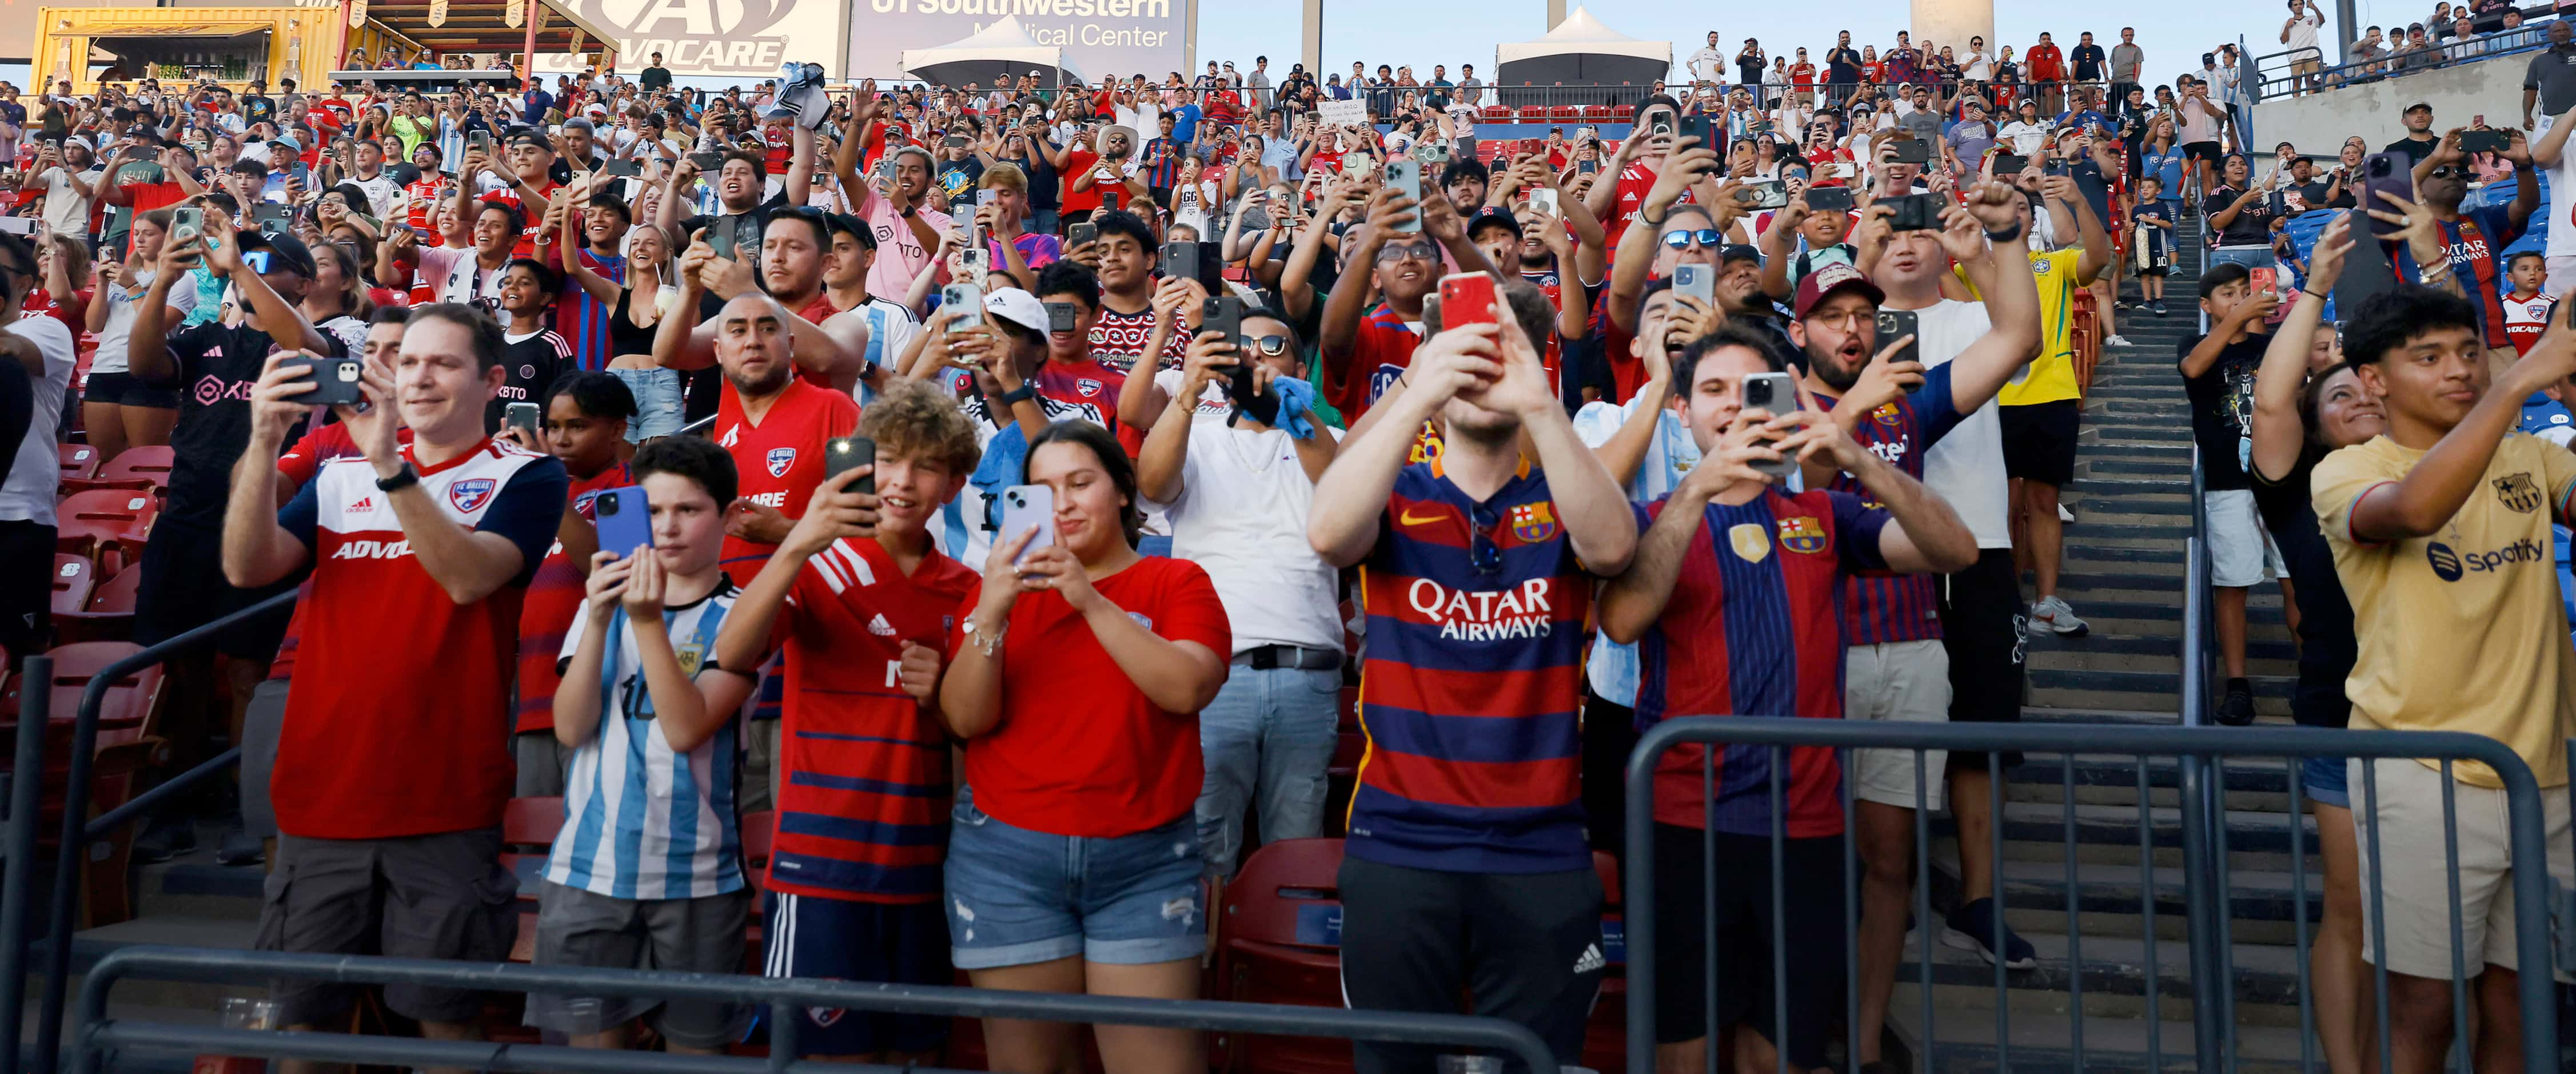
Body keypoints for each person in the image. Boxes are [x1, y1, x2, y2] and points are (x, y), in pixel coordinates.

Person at [218, 303, 569, 1066]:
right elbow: (246, 567)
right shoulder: (339, 475)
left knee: (444, 1025)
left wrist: (392, 466)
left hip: (442, 799)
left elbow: (469, 578)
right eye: (408, 361)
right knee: (301, 1026)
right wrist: (261, 443)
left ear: (493, 380)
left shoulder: (529, 474)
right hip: (323, 794)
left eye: (443, 363)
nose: (419, 377)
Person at [1307, 281, 1637, 1073]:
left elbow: (1613, 549)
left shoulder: (1561, 495)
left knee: (1534, 1063)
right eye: (1468, 353)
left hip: (1542, 852)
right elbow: (1326, 530)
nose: (1483, 371)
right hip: (1400, 844)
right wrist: (1418, 391)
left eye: (1503, 352)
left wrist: (1541, 405)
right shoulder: (1395, 493)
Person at [2315, 284, 2576, 1074]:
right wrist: (2514, 383)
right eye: (2426, 357)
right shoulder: (2346, 469)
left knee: (2522, 1003)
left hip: (2546, 777)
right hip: (2416, 773)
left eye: (2467, 351)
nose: (2457, 370)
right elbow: (2414, 510)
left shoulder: (2530, 453)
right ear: (2371, 380)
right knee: (2424, 1010)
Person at [936, 420, 1230, 1074]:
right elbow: (964, 718)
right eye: (1042, 490)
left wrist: (1087, 598)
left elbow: (1187, 689)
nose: (1063, 503)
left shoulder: (1177, 582)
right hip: (1007, 857)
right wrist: (992, 610)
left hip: (1146, 858)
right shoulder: (993, 594)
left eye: (1080, 483)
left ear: (1123, 492)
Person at [712, 378, 981, 1065]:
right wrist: (798, 541)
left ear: (954, 483)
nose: (902, 480)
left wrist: (946, 694)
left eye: (925, 465)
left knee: (913, 1058)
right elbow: (732, 652)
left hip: (924, 869)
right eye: (888, 459)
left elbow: (978, 726)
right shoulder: (816, 565)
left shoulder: (971, 589)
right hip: (819, 867)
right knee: (823, 1061)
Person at [532, 435, 756, 1056]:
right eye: (653, 511)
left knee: (695, 1055)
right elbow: (570, 729)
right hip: (588, 869)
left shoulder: (742, 615)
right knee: (588, 1057)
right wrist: (603, 618)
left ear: (730, 517)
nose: (668, 528)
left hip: (698, 876)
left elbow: (685, 729)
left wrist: (647, 619)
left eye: (689, 510)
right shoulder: (600, 606)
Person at [1135, 308, 1341, 878]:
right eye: (1240, 345)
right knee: (1203, 849)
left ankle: (1285, 969)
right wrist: (1188, 393)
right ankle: (1200, 968)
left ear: (1299, 366)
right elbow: (1152, 486)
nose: (1253, 354)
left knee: (1297, 851)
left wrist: (1292, 411)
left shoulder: (1327, 438)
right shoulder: (1194, 437)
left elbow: (1345, 493)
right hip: (1213, 672)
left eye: (1271, 344)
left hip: (1308, 670)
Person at [2248, 212, 2381, 1074]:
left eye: (2367, 390)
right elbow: (2269, 399)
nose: (2358, 399)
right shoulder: (2295, 492)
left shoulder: (2429, 467)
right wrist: (2316, 291)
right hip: (2339, 715)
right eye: (2335, 395)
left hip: (2448, 717)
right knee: (2354, 909)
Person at [509, 371, 635, 798]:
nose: (561, 439)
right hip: (530, 700)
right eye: (554, 427)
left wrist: (552, 492)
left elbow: (614, 572)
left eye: (577, 427)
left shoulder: (630, 488)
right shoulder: (530, 492)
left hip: (602, 704)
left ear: (617, 429)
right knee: (531, 847)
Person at [0, 230, 66, 661]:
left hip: (19, 511)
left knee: (22, 648)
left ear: (24, 282)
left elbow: (11, 349)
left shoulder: (47, 328)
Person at [82, 206, 192, 461]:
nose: (140, 239)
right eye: (136, 233)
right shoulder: (124, 274)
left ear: (168, 238)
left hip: (147, 371)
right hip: (105, 368)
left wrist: (132, 286)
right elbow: (94, 326)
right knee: (103, 460)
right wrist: (102, 283)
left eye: (149, 233)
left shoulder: (180, 278)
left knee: (144, 462)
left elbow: (157, 326)